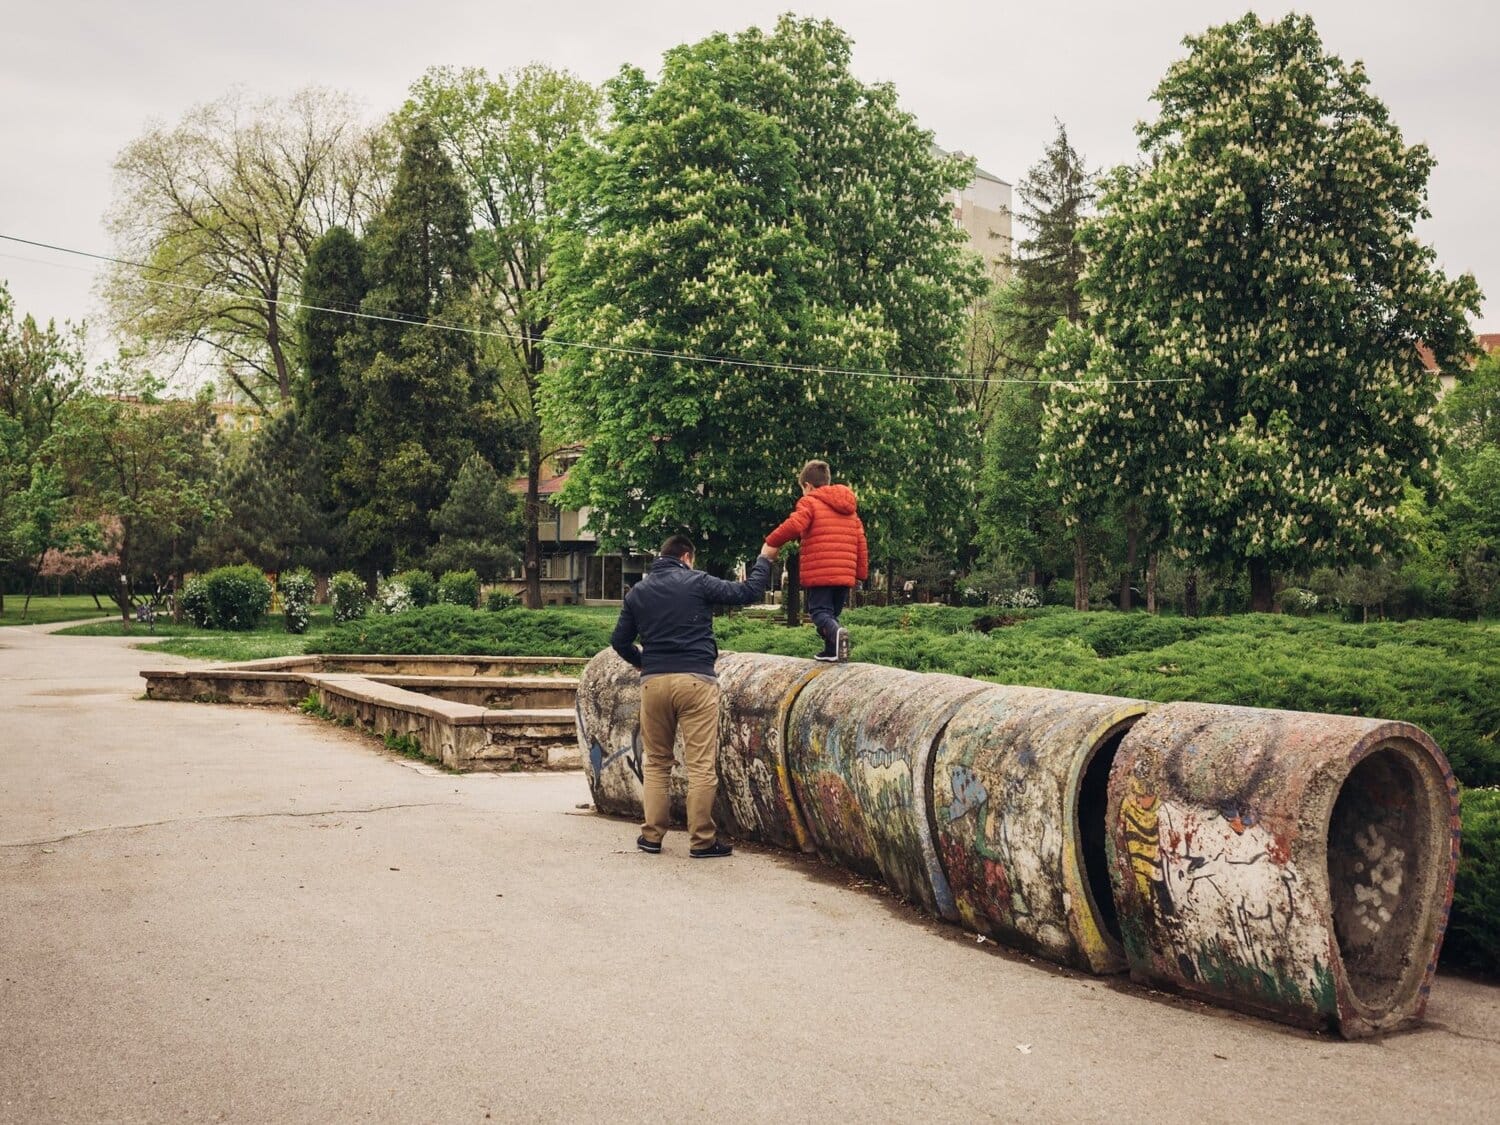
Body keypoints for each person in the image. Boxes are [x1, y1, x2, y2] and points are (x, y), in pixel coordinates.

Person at [610, 533, 777, 857]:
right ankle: (702, 840)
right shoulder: (698, 581)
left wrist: (643, 661)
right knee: (700, 765)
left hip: (654, 683)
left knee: (656, 762)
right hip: (696, 681)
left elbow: (619, 641)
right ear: (687, 557)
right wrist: (764, 559)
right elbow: (748, 592)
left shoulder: (638, 592)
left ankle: (652, 836)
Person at [763, 459, 869, 662]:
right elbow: (860, 541)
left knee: (819, 613)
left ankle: (837, 636)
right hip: (844, 575)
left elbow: (795, 524)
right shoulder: (850, 511)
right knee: (831, 615)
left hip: (821, 573)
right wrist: (860, 573)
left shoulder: (810, 502)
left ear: (807, 486)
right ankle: (832, 651)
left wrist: (771, 542)